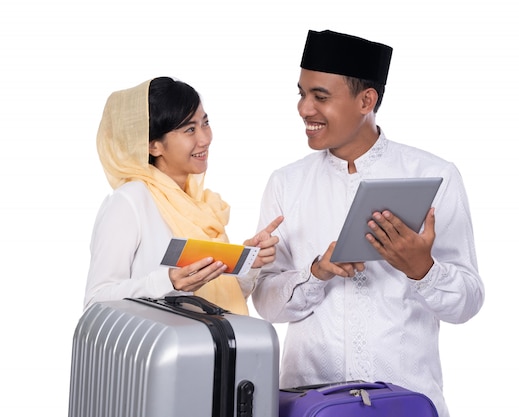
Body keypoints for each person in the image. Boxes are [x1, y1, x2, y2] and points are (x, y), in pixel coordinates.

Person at [251, 30, 484, 417]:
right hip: (309, 403)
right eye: (301, 93)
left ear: (366, 100)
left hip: (407, 402)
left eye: (320, 96)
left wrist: (422, 269)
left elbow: (468, 302)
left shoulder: (433, 175)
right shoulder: (286, 183)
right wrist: (315, 274)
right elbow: (266, 305)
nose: (304, 109)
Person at [84, 76, 283, 315]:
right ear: (153, 145)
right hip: (158, 351)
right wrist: (169, 281)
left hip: (209, 349)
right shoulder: (130, 202)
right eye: (190, 129)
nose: (205, 138)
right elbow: (96, 300)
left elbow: (217, 302)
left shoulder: (198, 206)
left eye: (205, 123)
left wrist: (250, 263)